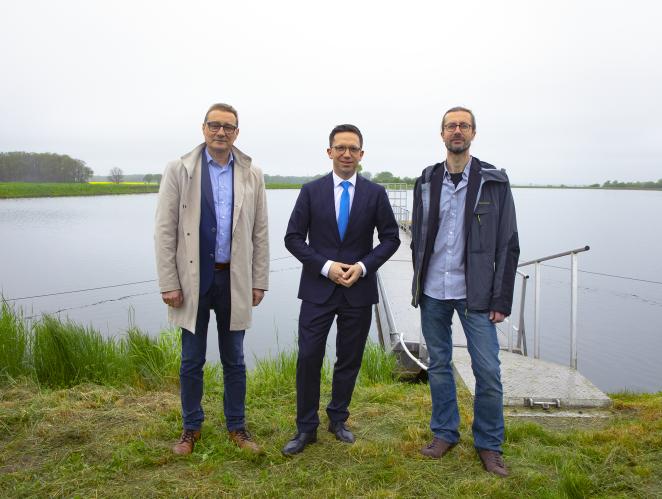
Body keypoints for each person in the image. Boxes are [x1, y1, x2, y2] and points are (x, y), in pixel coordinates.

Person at [154, 103, 269, 455]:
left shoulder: (252, 173)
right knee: (191, 359)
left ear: (237, 132)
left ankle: (237, 427)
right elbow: (164, 230)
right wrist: (168, 282)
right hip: (192, 281)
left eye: (228, 127)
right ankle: (191, 428)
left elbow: (260, 231)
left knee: (234, 358)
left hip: (232, 280)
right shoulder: (180, 169)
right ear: (203, 128)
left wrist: (258, 280)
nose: (221, 132)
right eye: (214, 126)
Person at [410, 106, 519, 477]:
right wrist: (417, 285)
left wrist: (501, 298)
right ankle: (445, 433)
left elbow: (508, 243)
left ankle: (489, 444)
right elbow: (419, 240)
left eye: (464, 125)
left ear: (473, 133)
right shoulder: (426, 179)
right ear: (441, 134)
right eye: (451, 125)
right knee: (439, 366)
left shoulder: (495, 181)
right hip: (433, 292)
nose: (457, 131)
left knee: (487, 370)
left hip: (477, 295)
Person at [282, 124, 400, 455]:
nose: (346, 153)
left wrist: (363, 267)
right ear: (330, 151)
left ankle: (337, 419)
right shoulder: (310, 191)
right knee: (308, 357)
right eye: (340, 147)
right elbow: (293, 238)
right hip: (318, 289)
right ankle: (306, 429)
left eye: (353, 148)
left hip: (358, 291)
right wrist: (325, 266)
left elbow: (391, 238)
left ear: (361, 155)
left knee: (348, 359)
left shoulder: (375, 193)